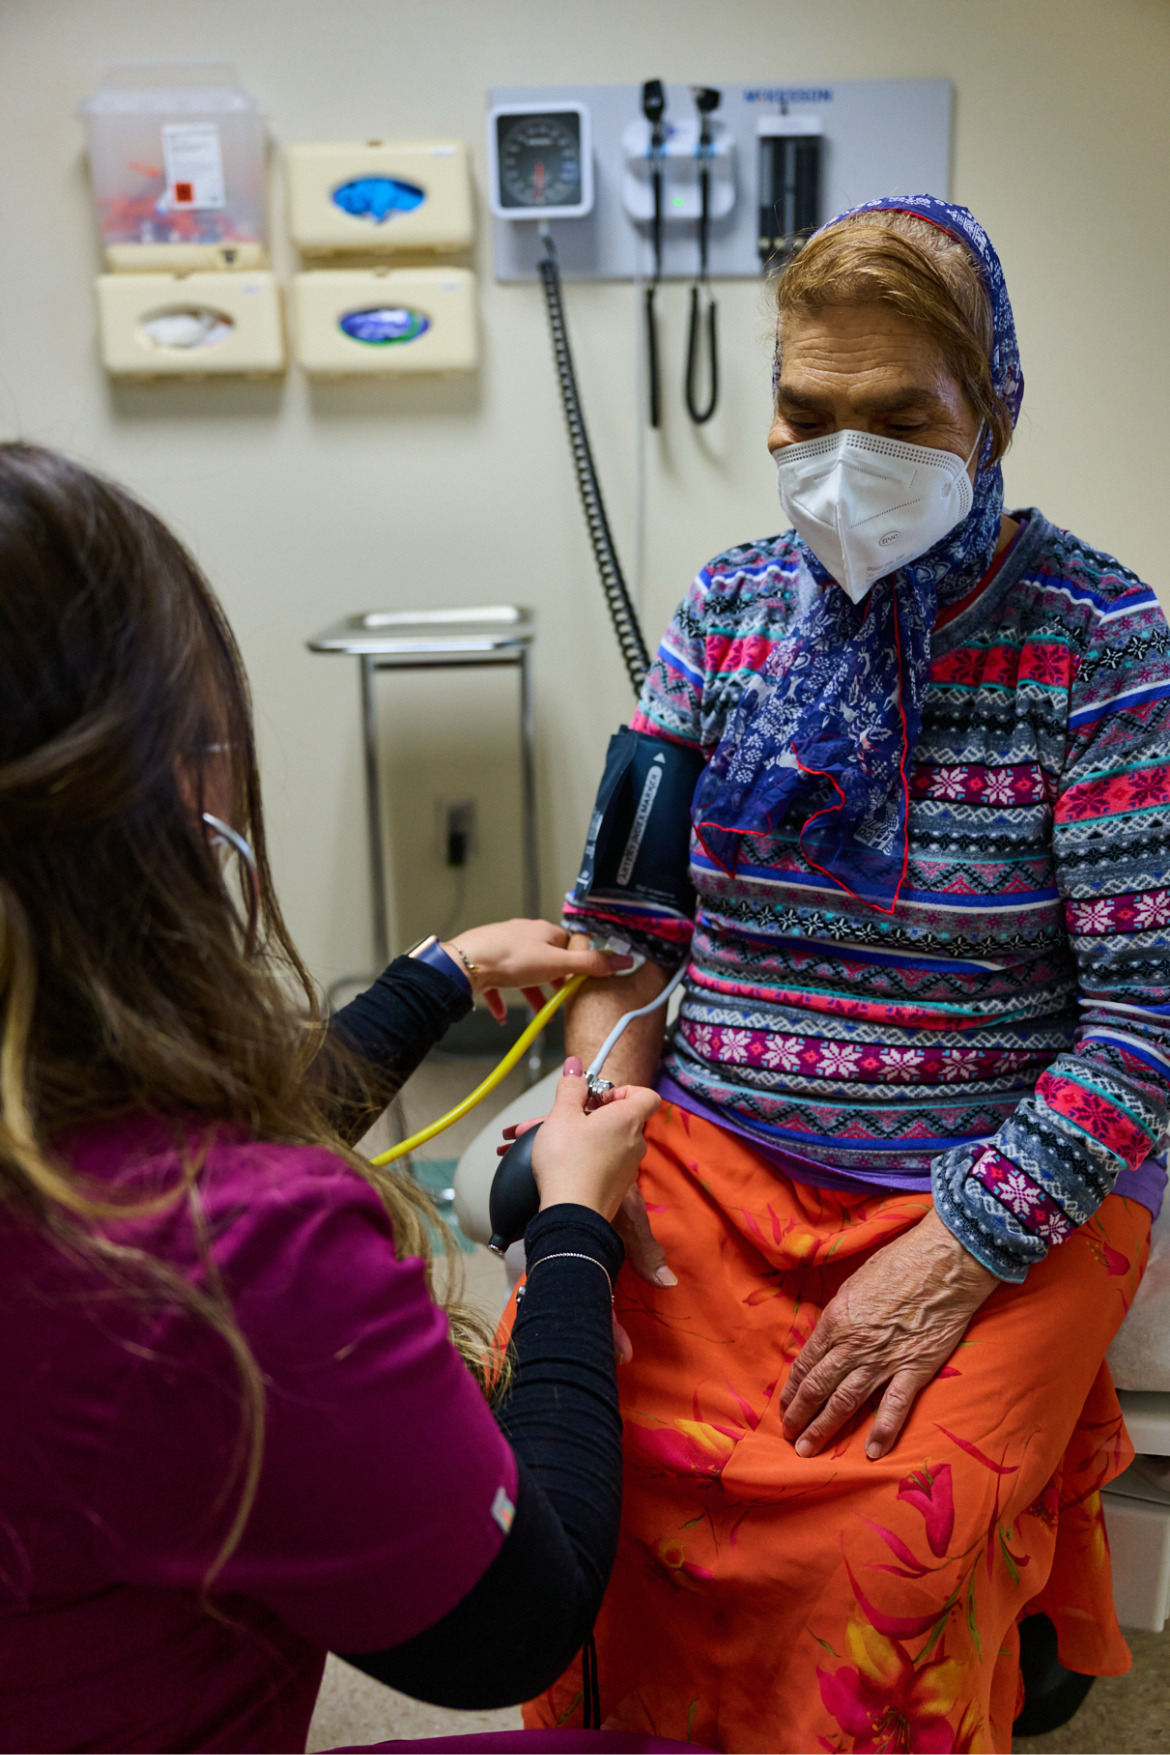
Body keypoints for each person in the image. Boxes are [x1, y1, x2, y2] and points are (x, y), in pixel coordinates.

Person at [523, 196, 1169, 1752]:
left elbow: (1144, 1020)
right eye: (807, 414)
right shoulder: (722, 612)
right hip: (714, 1153)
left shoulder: (1100, 641)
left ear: (990, 413)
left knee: (869, 1551)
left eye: (899, 419)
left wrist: (955, 1251)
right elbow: (624, 935)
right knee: (584, 1479)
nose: (840, 458)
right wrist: (587, 1137)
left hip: (993, 1179)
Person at [0, 442, 668, 1754]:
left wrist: (435, 979)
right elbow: (521, 1619)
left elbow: (144, 1151)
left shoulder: (91, 1155)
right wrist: (569, 1235)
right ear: (158, 795)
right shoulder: (234, 1260)